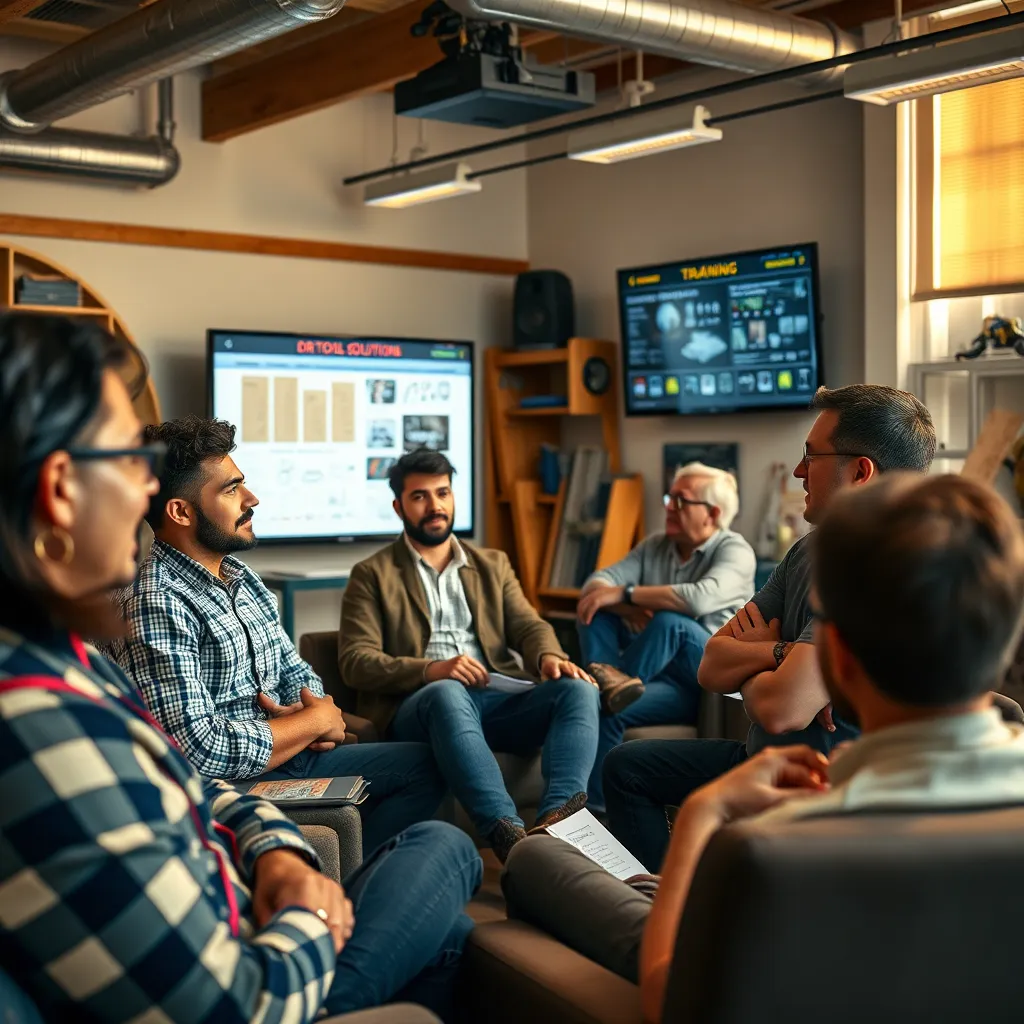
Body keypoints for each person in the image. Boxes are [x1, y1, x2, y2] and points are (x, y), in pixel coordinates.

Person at [0, 314, 480, 1023]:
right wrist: (319, 918)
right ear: (61, 490)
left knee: (447, 920)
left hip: (239, 884)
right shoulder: (40, 722)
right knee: (444, 862)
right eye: (126, 460)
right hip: (250, 984)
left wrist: (277, 854)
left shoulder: (63, 661)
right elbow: (236, 1004)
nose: (137, 490)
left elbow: (188, 781)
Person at [503, 472, 1024, 1022]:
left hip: (724, 957)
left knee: (534, 858)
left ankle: (653, 886)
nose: (802, 474)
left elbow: (673, 1001)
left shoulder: (772, 847)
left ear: (837, 660)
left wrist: (707, 812)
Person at [604, 384, 937, 869]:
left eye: (811, 456)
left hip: (822, 784)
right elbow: (711, 665)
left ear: (860, 472)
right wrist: (783, 655)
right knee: (626, 768)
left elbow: (782, 709)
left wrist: (771, 667)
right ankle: (664, 910)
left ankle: (672, 921)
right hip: (760, 758)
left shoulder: (879, 564)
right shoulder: (807, 551)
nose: (799, 471)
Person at [105, 416, 446, 857]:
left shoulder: (241, 576)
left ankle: (359, 889)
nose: (252, 499)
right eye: (231, 490)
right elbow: (195, 750)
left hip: (290, 753)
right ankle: (355, 895)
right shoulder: (153, 599)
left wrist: (310, 719)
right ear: (181, 511)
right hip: (232, 785)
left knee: (427, 767)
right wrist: (309, 723)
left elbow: (295, 671)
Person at [339, 447, 600, 862]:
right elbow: (356, 660)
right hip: (423, 706)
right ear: (398, 506)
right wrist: (432, 669)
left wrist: (548, 655)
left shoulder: (492, 564)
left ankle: (558, 825)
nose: (435, 506)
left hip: (495, 696)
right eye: (420, 496)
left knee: (578, 690)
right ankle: (507, 835)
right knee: (447, 691)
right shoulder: (372, 574)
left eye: (442, 493)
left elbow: (529, 626)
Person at [576, 462, 755, 811]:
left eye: (680, 501)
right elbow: (596, 585)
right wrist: (617, 602)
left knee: (670, 622)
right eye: (669, 497)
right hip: (654, 680)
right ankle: (597, 813)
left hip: (705, 677)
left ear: (713, 513)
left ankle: (604, 682)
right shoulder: (654, 546)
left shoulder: (735, 550)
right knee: (596, 617)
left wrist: (627, 595)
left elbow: (697, 598)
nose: (668, 507)